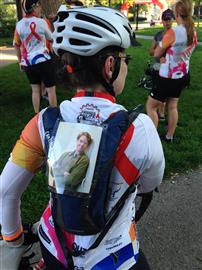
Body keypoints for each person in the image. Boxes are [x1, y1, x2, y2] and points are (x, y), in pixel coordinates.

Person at [0, 6, 165, 269]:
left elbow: (6, 190)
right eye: (125, 60)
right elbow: (148, 185)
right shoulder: (141, 130)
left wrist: (13, 238)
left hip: (54, 247)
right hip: (112, 258)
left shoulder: (43, 122)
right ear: (110, 66)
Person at [146, 0, 197, 142]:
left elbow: (156, 53)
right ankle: (169, 136)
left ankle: (151, 139)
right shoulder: (192, 30)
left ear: (177, 13)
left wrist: (164, 50)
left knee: (151, 106)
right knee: (173, 106)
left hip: (167, 77)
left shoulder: (174, 32)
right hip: (183, 74)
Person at [13, 0, 57, 113]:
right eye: (39, 6)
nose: (40, 9)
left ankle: (36, 115)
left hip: (29, 63)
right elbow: (51, 39)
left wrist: (20, 62)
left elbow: (16, 45)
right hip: (44, 61)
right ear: (34, 7)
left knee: (35, 91)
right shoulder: (41, 22)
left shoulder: (19, 25)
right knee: (51, 90)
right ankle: (53, 115)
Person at [149, 9, 175, 122]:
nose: (167, 22)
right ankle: (160, 112)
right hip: (158, 67)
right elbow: (150, 51)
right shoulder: (158, 35)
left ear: (173, 20)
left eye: (169, 20)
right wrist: (158, 55)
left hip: (172, 69)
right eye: (165, 20)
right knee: (159, 92)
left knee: (170, 94)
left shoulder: (177, 35)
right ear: (162, 21)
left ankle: (163, 112)